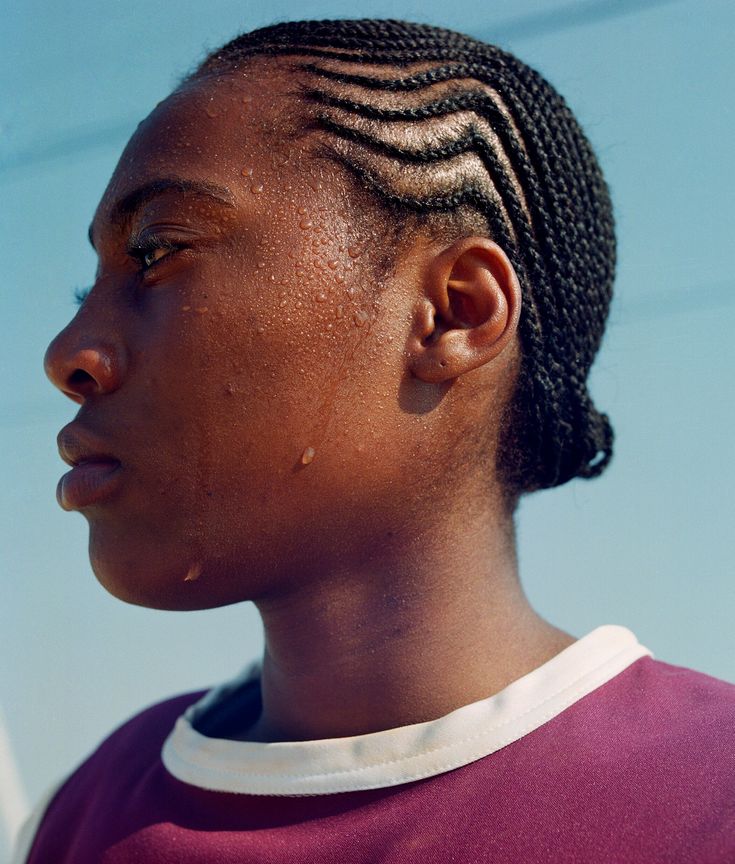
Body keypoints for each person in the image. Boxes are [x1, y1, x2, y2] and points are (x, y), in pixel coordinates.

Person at [16, 18, 734, 864]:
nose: (69, 354)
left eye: (157, 252)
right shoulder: (86, 811)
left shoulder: (705, 799)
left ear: (452, 313)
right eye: (85, 284)